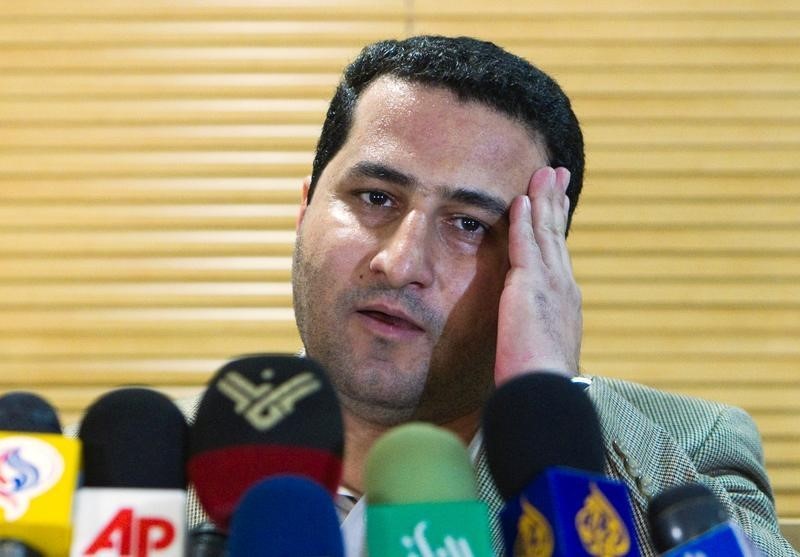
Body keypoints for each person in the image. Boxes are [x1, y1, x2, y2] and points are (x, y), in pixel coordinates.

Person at [190, 35, 797, 555]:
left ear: (539, 263)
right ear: (304, 208)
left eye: (470, 225)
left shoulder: (688, 447)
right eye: (376, 197)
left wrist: (551, 404)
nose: (401, 263)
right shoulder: (154, 466)